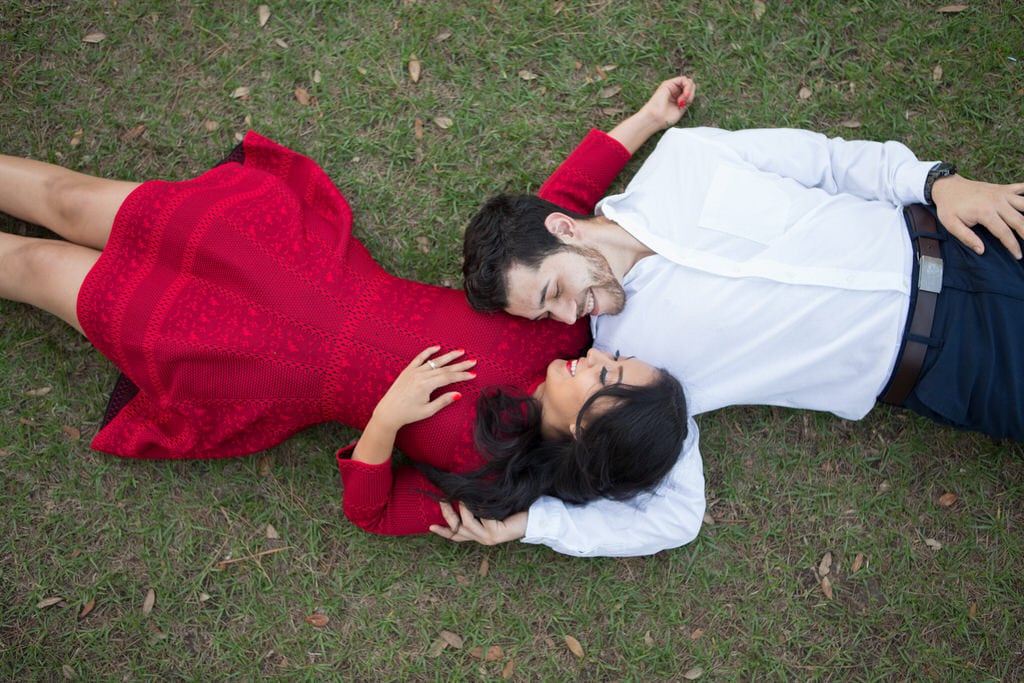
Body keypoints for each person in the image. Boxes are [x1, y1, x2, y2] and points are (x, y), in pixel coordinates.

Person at [0, 78, 701, 545]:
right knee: (67, 200)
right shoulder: (563, 323)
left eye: (606, 378)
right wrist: (644, 120)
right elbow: (556, 218)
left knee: (38, 268)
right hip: (286, 256)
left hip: (243, 355)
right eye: (619, 359)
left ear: (584, 435)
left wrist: (388, 418)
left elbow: (373, 509)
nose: (601, 355)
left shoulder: (489, 476)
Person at [452, 76, 1024, 554]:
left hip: (965, 242)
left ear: (563, 228)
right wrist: (534, 525)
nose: (565, 315)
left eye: (554, 290)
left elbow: (830, 162)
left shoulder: (685, 160)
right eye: (544, 314)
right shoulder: (632, 364)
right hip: (957, 366)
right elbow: (674, 515)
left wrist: (939, 182)